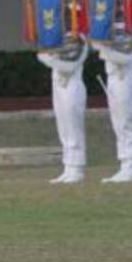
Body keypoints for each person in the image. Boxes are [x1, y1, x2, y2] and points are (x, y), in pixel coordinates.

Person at [36, 35, 88, 184]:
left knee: (73, 127)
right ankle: (68, 166)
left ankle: (77, 167)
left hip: (72, 85)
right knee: (64, 128)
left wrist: (46, 59)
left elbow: (70, 66)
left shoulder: (77, 38)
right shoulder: (56, 36)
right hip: (59, 84)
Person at [96, 27, 132, 183]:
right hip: (113, 77)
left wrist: (102, 50)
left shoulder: (128, 30)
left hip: (124, 77)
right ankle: (125, 163)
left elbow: (125, 57)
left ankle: (130, 164)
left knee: (126, 122)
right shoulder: (107, 31)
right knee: (118, 124)